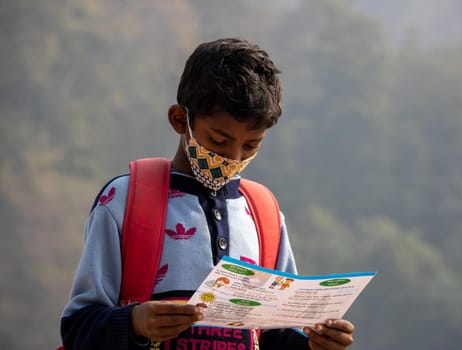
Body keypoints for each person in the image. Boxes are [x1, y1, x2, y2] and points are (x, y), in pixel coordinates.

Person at [60, 37, 355, 350]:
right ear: (179, 119)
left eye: (251, 145)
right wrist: (135, 322)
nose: (234, 157)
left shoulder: (264, 216)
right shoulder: (123, 202)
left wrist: (314, 344)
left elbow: (270, 335)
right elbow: (78, 327)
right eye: (218, 140)